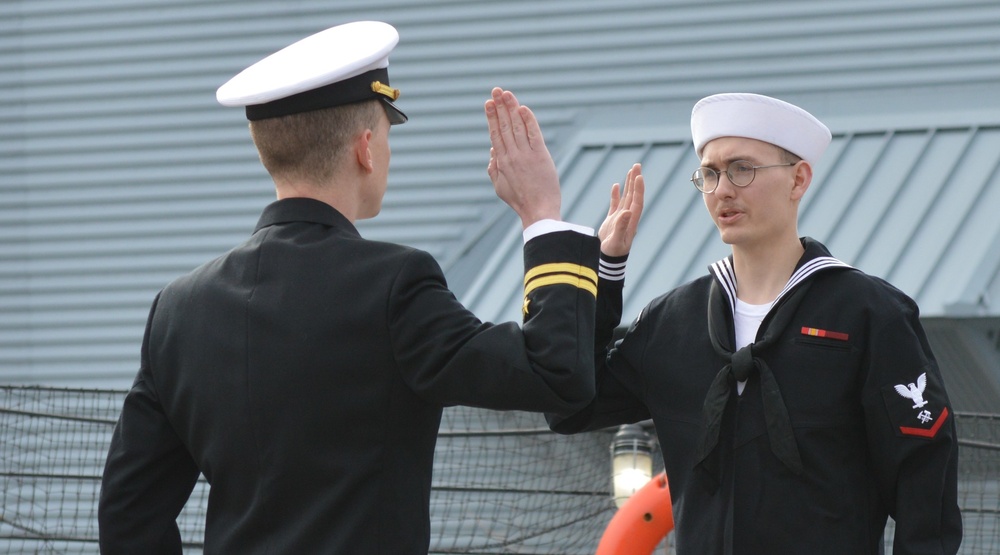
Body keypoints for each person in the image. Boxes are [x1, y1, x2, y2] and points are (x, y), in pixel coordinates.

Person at [98, 21, 602, 554]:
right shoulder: (395, 286)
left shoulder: (178, 310)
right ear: (365, 147)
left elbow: (128, 513)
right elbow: (556, 375)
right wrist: (542, 216)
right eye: (387, 133)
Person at [550, 92, 963, 554]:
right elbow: (572, 406)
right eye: (709, 173)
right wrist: (606, 275)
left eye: (742, 169)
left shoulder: (868, 315)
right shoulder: (672, 323)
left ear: (798, 179)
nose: (723, 189)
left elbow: (925, 482)